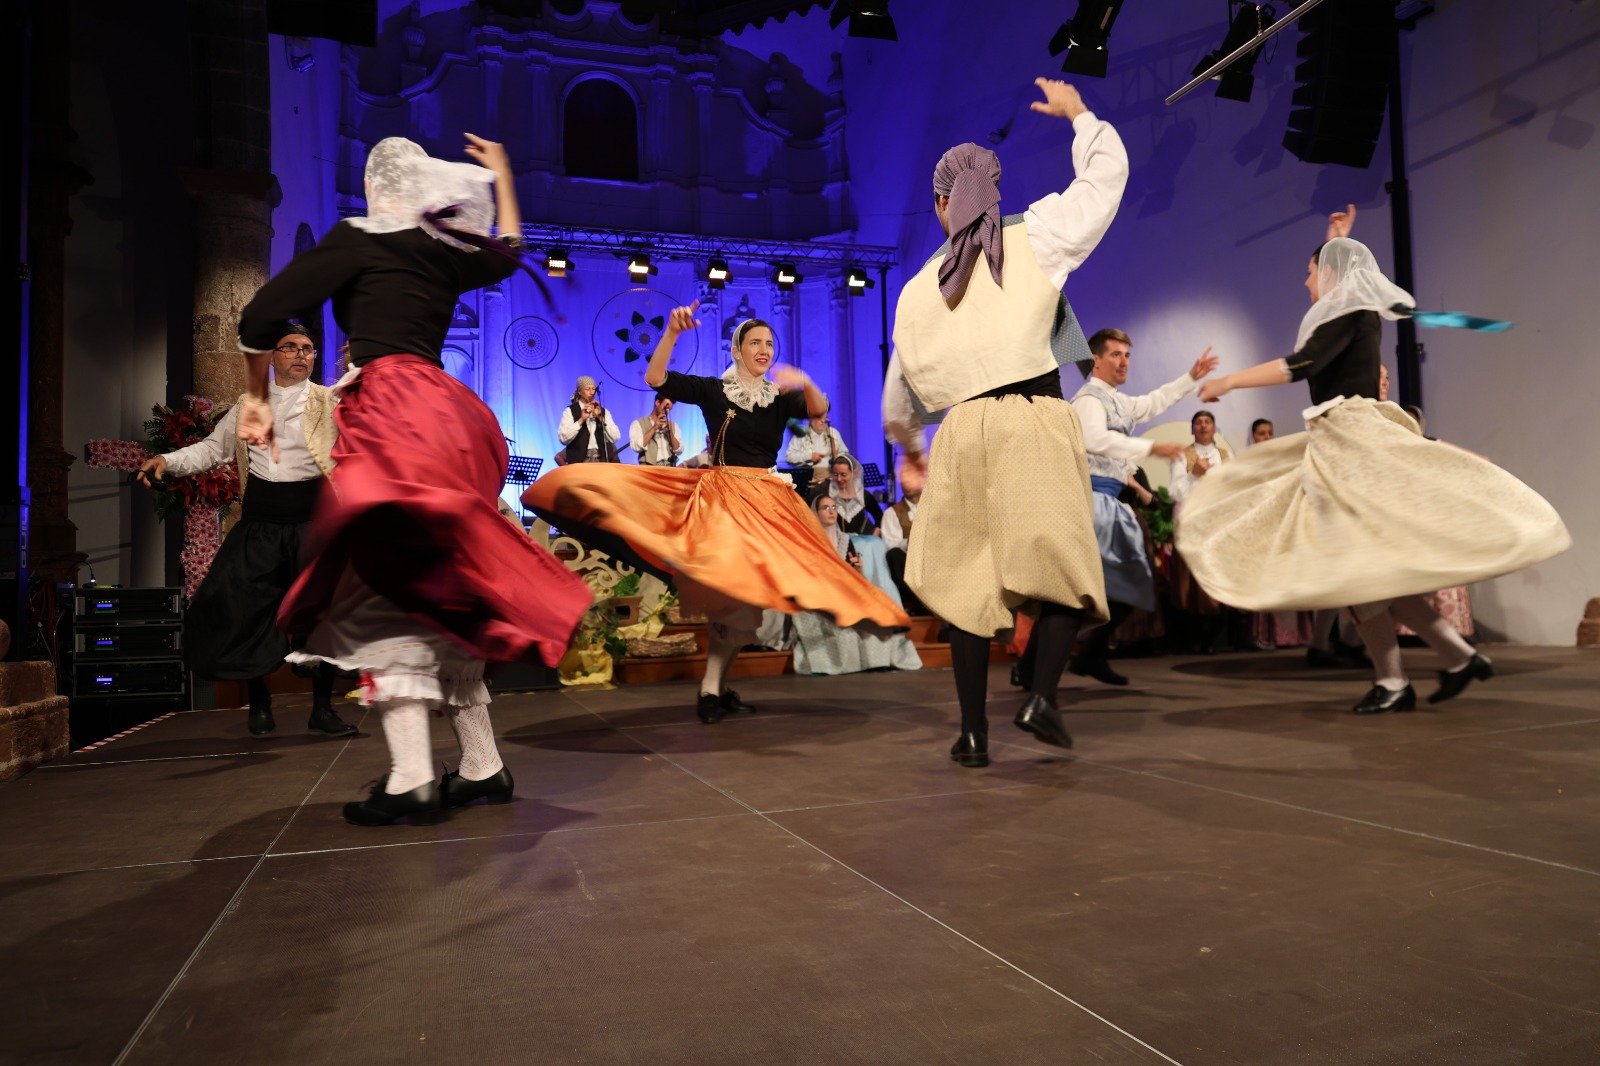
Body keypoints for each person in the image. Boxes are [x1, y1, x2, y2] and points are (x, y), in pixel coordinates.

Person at [235, 134, 593, 825]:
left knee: (379, 584)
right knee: (441, 583)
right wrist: (505, 173)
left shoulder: (358, 238)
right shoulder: (441, 249)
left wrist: (255, 392)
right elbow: (512, 250)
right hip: (454, 418)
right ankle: (483, 766)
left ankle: (412, 777)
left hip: (394, 410)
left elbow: (258, 316)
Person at [1183, 230, 1569, 713]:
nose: (1305, 284)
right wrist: (1335, 241)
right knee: (1365, 573)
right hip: (1341, 438)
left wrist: (1230, 380)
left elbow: (1303, 363)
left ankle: (1402, 677)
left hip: (1349, 442)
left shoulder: (1348, 311)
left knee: (1356, 570)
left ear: (1329, 275)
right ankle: (1446, 661)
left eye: (1309, 273)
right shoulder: (1353, 311)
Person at [883, 77, 1126, 768]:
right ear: (994, 192)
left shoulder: (918, 288)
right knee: (1065, 570)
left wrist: (908, 447)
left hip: (962, 433)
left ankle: (970, 734)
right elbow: (1106, 181)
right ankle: (1040, 697)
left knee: (968, 585)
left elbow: (900, 388)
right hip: (1032, 418)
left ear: (940, 204)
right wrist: (1079, 117)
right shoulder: (1035, 235)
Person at [525, 307, 909, 723]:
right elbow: (655, 379)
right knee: (732, 598)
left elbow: (818, 409)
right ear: (738, 350)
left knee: (748, 608)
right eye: (755, 343)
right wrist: (671, 331)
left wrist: (806, 380)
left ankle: (717, 687)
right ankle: (711, 690)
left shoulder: (778, 399)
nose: (763, 350)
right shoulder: (715, 391)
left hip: (768, 503)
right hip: (724, 500)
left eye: (769, 344)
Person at [138, 323, 355, 740]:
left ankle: (323, 709)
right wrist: (167, 459)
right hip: (261, 522)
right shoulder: (248, 405)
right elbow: (210, 450)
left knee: (323, 612)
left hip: (313, 519)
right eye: (290, 347)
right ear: (271, 357)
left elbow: (368, 417)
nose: (300, 354)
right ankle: (259, 702)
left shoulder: (329, 402)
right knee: (244, 609)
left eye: (308, 349)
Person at [1018, 328, 1217, 686]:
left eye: (1127, 355)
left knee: (1133, 587)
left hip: (1110, 506)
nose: (1124, 362)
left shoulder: (1116, 401)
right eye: (1116, 355)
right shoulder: (1089, 401)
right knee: (1080, 591)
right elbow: (1094, 439)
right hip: (1090, 502)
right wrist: (1151, 449)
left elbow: (1153, 402)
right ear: (1096, 360)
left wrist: (1191, 377)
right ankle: (1036, 666)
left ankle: (1090, 654)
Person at [787, 495, 922, 675]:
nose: (831, 511)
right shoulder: (808, 541)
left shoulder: (844, 539)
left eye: (834, 507)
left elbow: (854, 575)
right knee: (843, 627)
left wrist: (858, 569)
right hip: (820, 596)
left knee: (873, 611)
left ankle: (878, 660)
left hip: (845, 592)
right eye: (826, 508)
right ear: (815, 513)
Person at [879, 486, 926, 615]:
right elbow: (889, 545)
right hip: (908, 563)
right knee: (894, 555)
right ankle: (919, 604)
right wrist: (911, 542)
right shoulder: (892, 513)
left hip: (935, 562)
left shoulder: (935, 510)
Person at [1167, 410, 1230, 504]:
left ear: (1214, 429)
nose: (1203, 425)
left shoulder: (1228, 455)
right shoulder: (1180, 456)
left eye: (1207, 422)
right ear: (1192, 430)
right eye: (1198, 422)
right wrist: (1194, 475)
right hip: (1194, 512)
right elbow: (1175, 495)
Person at [558, 375, 621, 464]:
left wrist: (600, 417)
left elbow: (615, 437)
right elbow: (563, 438)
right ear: (579, 392)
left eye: (593, 389)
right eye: (587, 389)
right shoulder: (570, 411)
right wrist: (581, 420)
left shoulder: (603, 411)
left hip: (600, 461)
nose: (592, 392)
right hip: (579, 463)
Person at [785, 414, 849, 487]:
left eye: (825, 418)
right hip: (810, 482)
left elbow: (845, 454)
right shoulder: (801, 434)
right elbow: (789, 457)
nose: (823, 421)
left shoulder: (834, 433)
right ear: (811, 420)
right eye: (819, 418)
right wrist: (809, 457)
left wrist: (838, 459)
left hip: (832, 482)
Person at [826, 455, 883, 534]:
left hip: (861, 543)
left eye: (843, 475)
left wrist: (876, 531)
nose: (839, 479)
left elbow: (879, 517)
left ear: (854, 473)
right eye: (835, 474)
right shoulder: (827, 492)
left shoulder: (863, 495)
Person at [629, 394, 682, 466]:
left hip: (669, 468)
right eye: (665, 408)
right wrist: (654, 428)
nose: (667, 412)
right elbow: (636, 447)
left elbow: (678, 450)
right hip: (648, 468)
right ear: (657, 403)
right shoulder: (638, 423)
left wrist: (669, 432)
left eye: (669, 409)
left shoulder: (673, 425)